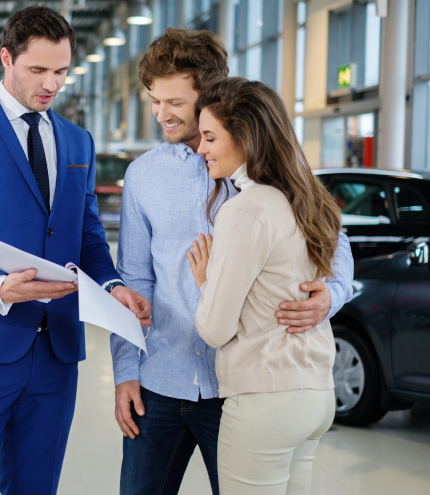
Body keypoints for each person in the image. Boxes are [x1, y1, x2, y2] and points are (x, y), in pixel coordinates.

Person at [0, 6, 151, 494]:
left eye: (62, 71)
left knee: (37, 487)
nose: (51, 84)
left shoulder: (77, 141)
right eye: (38, 70)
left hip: (56, 351)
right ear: (7, 58)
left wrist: (112, 286)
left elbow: (87, 235)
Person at [111, 28, 354, 495]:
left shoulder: (268, 169)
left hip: (240, 388)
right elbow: (135, 277)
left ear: (210, 94)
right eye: (154, 101)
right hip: (160, 381)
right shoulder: (142, 176)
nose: (162, 114)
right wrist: (125, 372)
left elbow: (332, 243)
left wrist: (332, 295)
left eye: (175, 102)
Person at [188, 77, 340, 494]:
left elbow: (215, 329)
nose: (200, 148)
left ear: (244, 137)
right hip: (315, 394)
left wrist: (205, 281)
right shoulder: (307, 199)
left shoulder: (245, 211)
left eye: (209, 137)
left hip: (266, 398)